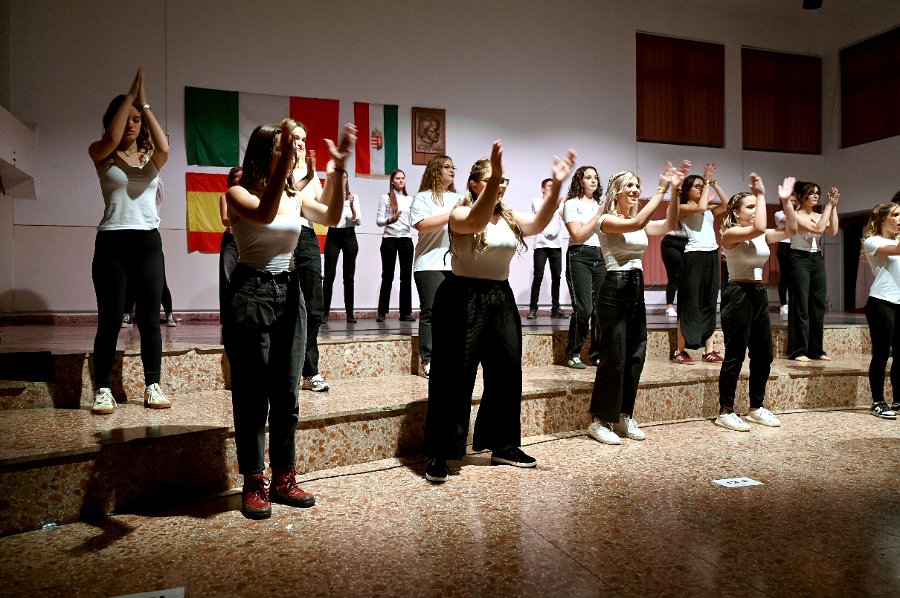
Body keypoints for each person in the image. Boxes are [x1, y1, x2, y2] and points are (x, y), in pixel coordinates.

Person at [224, 120, 356, 519]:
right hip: (251, 291)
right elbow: (264, 214)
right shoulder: (238, 193)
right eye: (283, 147)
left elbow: (332, 215)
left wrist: (338, 169)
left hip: (289, 289)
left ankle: (284, 476)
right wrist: (286, 162)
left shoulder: (294, 194)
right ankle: (253, 479)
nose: (294, 150)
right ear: (266, 152)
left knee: (286, 392)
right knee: (252, 393)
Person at [424, 142, 576, 482]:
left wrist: (556, 186)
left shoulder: (508, 217)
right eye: (494, 180)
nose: (501, 186)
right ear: (474, 184)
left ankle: (503, 444)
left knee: (506, 373)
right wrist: (494, 179)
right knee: (454, 376)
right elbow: (478, 219)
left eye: (504, 180)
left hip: (499, 298)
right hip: (462, 296)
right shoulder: (460, 214)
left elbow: (538, 223)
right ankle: (441, 451)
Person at [88, 68, 171, 415]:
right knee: (110, 319)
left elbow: (164, 146)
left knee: (149, 318)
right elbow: (111, 136)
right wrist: (128, 96)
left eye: (137, 120)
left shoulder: (151, 159)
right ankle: (103, 388)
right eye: (127, 118)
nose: (132, 124)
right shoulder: (101, 153)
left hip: (148, 243)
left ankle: (153, 384)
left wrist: (144, 103)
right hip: (112, 245)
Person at [585, 164, 680, 445]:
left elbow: (668, 225)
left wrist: (674, 192)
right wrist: (661, 189)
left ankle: (624, 415)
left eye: (638, 185)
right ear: (616, 192)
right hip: (614, 288)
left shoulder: (638, 219)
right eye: (629, 185)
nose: (635, 190)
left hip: (636, 288)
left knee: (636, 356)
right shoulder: (606, 220)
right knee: (614, 357)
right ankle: (599, 420)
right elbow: (637, 224)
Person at [714, 175, 798, 432]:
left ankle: (755, 408)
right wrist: (761, 194)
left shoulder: (761, 234)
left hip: (758, 293)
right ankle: (725, 411)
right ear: (735, 213)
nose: (754, 210)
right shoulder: (730, 234)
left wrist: (786, 202)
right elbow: (759, 228)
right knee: (735, 354)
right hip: (738, 293)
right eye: (749, 206)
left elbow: (792, 230)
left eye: (755, 205)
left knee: (763, 354)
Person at [285, 119, 329, 392]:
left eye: (303, 138)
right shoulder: (277, 167)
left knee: (314, 308)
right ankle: (306, 370)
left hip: (307, 236)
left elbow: (322, 205)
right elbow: (287, 195)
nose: (300, 143)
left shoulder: (309, 171)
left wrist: (332, 179)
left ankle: (303, 366)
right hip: (284, 235)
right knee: (289, 307)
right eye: (295, 138)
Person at [411, 155, 463, 377]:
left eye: (453, 167)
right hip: (429, 263)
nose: (452, 170)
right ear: (435, 170)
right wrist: (452, 215)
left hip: (457, 264)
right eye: (447, 167)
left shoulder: (460, 198)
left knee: (455, 314)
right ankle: (429, 360)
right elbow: (423, 225)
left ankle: (451, 357)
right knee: (431, 311)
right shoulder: (422, 197)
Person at [673, 163, 728, 365]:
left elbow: (729, 205)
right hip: (694, 256)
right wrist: (706, 181)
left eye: (701, 186)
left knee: (709, 302)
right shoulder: (683, 208)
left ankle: (709, 350)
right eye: (697, 186)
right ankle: (679, 351)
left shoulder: (709, 208)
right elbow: (701, 206)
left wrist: (713, 183)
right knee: (690, 303)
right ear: (686, 190)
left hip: (711, 255)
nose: (700, 188)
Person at [787, 180, 839, 361]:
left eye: (817, 193)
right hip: (798, 258)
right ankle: (798, 350)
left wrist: (833, 207)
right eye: (811, 193)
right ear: (801, 196)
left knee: (818, 304)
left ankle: (816, 350)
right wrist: (828, 208)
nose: (816, 196)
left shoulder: (819, 215)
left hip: (816, 259)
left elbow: (833, 231)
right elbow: (818, 229)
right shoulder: (794, 215)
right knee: (801, 304)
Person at [562, 166, 605, 369]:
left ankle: (596, 354)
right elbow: (577, 234)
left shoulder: (600, 204)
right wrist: (598, 215)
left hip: (601, 256)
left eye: (595, 177)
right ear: (580, 181)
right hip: (579, 256)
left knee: (599, 311)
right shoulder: (571, 204)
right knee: (584, 309)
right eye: (588, 177)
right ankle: (573, 353)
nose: (593, 180)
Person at [861, 202, 900, 419]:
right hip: (882, 302)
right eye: (896, 215)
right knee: (882, 354)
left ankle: (898, 400)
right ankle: (878, 401)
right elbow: (897, 250)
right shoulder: (872, 241)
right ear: (883, 219)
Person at [375, 169, 415, 322]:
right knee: (387, 275)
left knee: (406, 276)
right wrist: (391, 220)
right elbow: (379, 221)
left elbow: (413, 220)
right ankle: (382, 312)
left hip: (406, 239)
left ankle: (405, 313)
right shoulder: (385, 198)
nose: (401, 180)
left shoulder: (409, 199)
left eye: (403, 178)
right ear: (392, 181)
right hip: (389, 239)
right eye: (398, 178)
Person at [323, 171, 361, 322]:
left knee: (349, 277)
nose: (342, 180)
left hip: (349, 236)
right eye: (339, 178)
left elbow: (358, 222)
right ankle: (324, 312)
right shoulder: (330, 198)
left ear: (347, 180)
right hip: (333, 235)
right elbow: (326, 219)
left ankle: (350, 313)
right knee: (329, 275)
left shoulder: (353, 197)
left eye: (345, 178)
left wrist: (352, 208)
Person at [527, 178, 566, 319]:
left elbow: (564, 216)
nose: (552, 188)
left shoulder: (559, 203)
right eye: (549, 186)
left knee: (557, 277)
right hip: (541, 245)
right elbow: (543, 214)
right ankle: (533, 309)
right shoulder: (537, 201)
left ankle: (556, 309)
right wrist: (557, 204)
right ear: (542, 189)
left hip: (556, 245)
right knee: (538, 276)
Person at [219, 166, 242, 322]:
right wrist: (242, 215)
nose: (238, 179)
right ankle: (228, 317)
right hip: (231, 240)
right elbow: (225, 220)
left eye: (241, 176)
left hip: (246, 239)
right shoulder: (225, 196)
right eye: (236, 176)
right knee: (228, 278)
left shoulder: (250, 196)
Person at [660, 222, 687, 318]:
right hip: (672, 240)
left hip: (690, 241)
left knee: (687, 276)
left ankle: (684, 306)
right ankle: (670, 307)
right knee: (674, 275)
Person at [773, 201, 795, 315]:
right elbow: (790, 221)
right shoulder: (779, 213)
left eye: (795, 201)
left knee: (794, 276)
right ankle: (783, 305)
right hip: (784, 245)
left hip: (795, 245)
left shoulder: (796, 213)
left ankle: (793, 303)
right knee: (785, 276)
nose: (793, 203)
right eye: (791, 200)